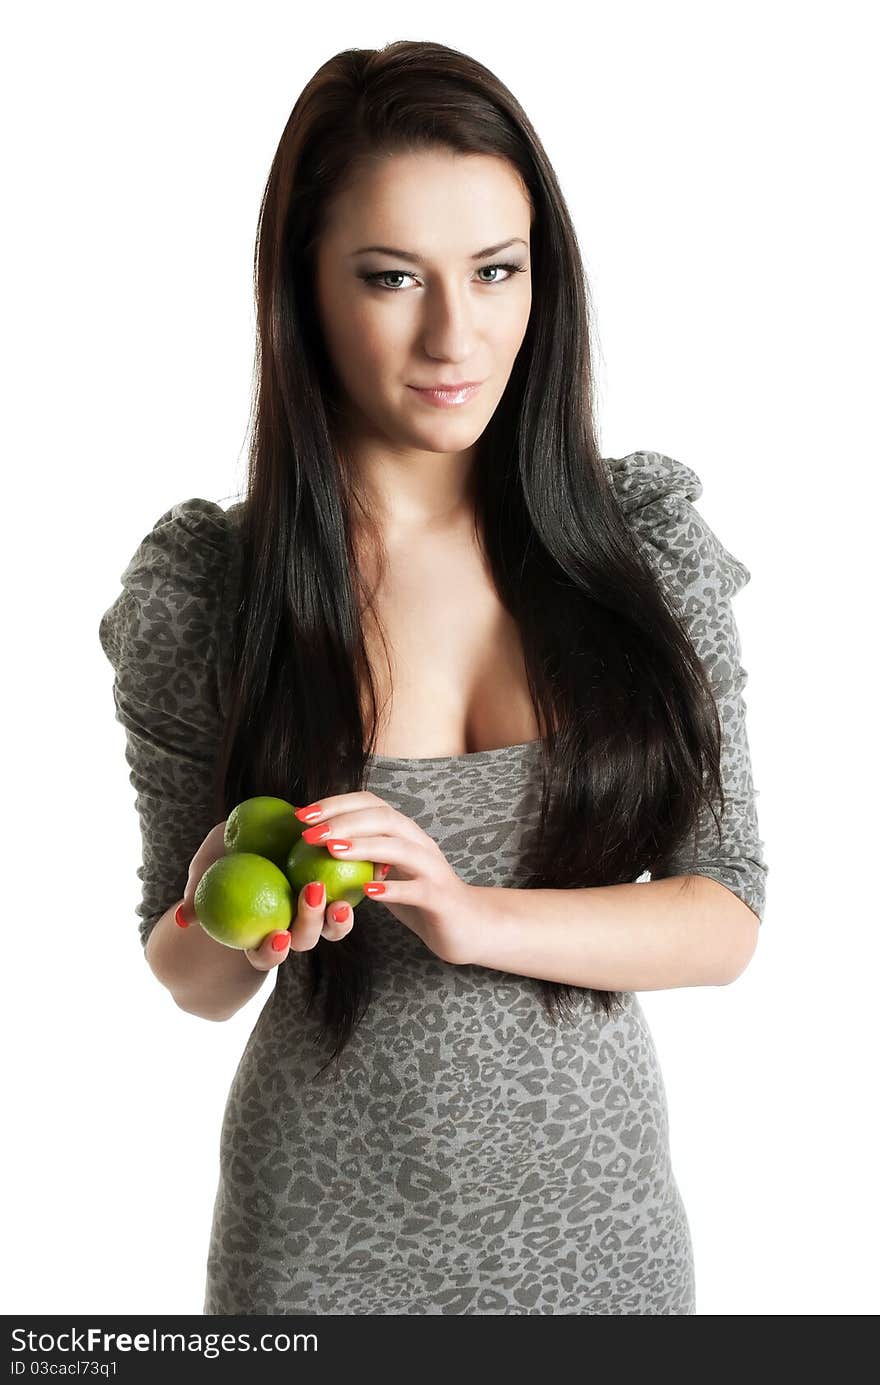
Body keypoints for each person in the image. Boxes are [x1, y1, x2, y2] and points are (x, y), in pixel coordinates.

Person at [98, 40, 767, 1316]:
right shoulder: (208, 591)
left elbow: (725, 913)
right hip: (315, 1243)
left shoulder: (642, 552)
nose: (455, 333)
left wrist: (474, 914)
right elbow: (187, 976)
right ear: (304, 289)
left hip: (599, 1232)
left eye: (496, 270)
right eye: (392, 277)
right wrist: (216, 916)